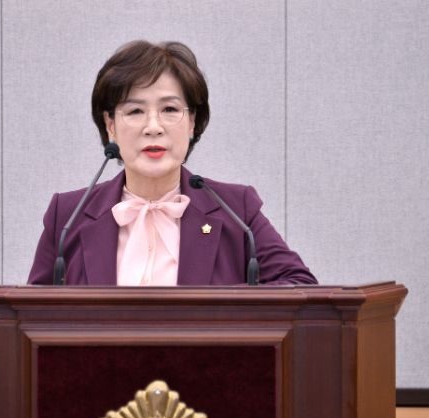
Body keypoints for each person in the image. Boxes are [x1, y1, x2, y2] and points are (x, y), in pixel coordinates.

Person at [28, 40, 316, 286]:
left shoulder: (236, 210)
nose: (153, 127)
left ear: (191, 122)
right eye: (135, 111)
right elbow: (32, 316)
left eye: (169, 109)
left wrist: (224, 313)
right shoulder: (68, 217)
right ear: (110, 125)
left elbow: (299, 284)